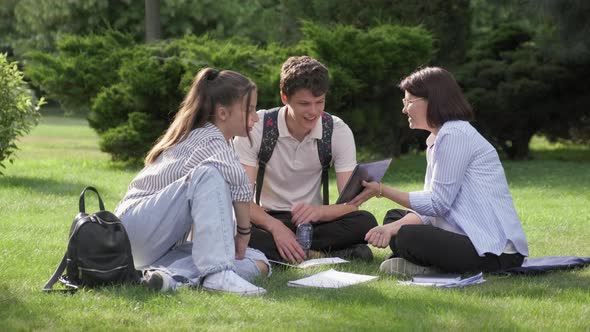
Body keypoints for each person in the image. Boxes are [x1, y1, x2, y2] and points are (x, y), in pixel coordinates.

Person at [351, 67, 528, 277]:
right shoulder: (439, 138)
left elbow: (437, 203)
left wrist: (381, 190)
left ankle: (428, 264)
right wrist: (392, 228)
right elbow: (432, 207)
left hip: (494, 250)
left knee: (407, 235)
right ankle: (428, 264)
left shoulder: (455, 135)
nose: (404, 109)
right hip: (459, 232)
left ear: (432, 100)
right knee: (394, 219)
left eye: (408, 102)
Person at [115, 68, 269, 296]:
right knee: (209, 174)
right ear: (223, 113)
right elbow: (240, 186)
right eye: (249, 110)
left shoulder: (215, 141)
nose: (255, 118)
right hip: (133, 227)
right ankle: (218, 275)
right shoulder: (209, 138)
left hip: (157, 244)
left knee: (259, 261)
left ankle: (165, 277)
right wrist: (244, 234)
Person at [233, 56, 378, 263]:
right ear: (284, 97)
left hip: (313, 222)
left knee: (365, 222)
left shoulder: (337, 130)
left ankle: (286, 255)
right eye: (304, 104)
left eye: (320, 102)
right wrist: (276, 228)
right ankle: (321, 254)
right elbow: (241, 197)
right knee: (232, 228)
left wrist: (318, 212)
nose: (313, 112)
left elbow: (350, 203)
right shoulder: (257, 127)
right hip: (265, 219)